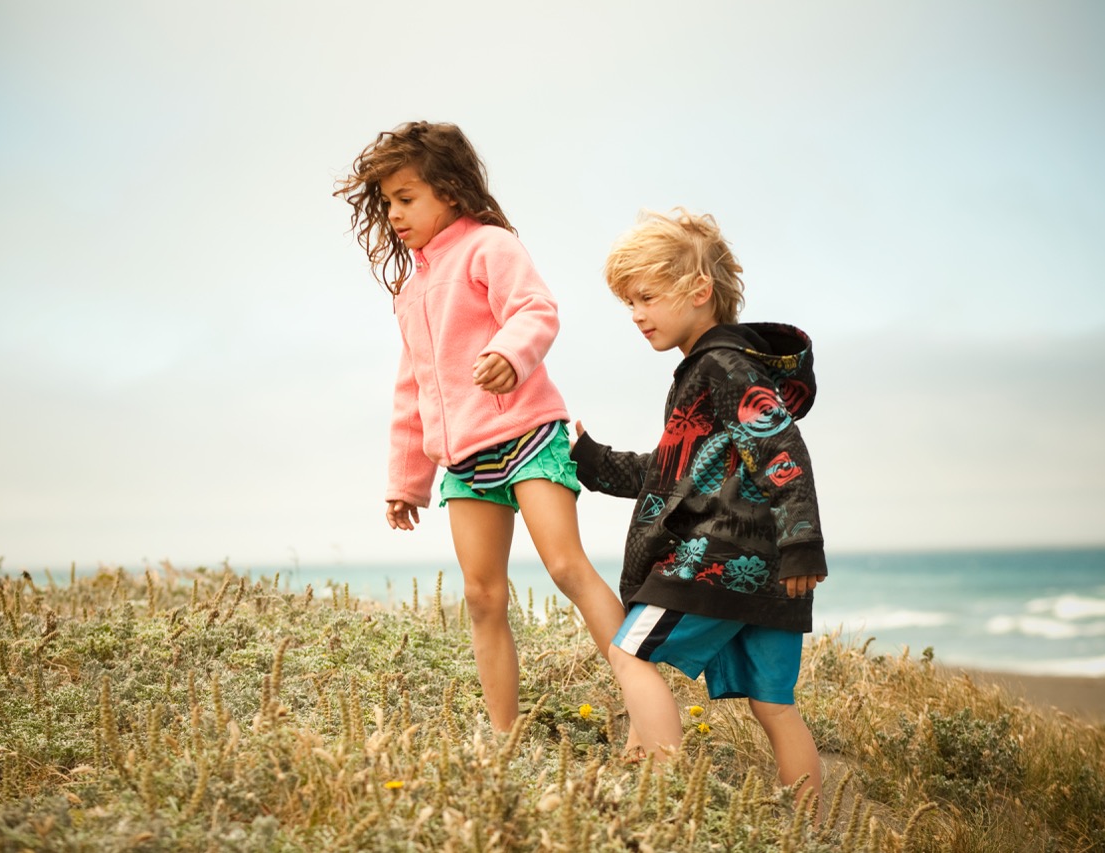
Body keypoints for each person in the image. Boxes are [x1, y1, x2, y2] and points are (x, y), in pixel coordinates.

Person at [333, 121, 627, 734]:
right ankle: (503, 737)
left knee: (567, 568)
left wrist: (509, 354)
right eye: (387, 203)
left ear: (450, 190)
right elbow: (412, 389)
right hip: (466, 461)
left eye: (405, 199)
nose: (393, 214)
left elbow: (534, 310)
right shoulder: (410, 293)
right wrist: (407, 482)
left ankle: (647, 706)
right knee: (481, 596)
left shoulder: (489, 246)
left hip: (528, 436)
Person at [571, 208, 827, 805]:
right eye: (628, 303)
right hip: (769, 571)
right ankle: (814, 830)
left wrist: (804, 539)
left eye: (647, 298)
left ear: (699, 291)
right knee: (775, 705)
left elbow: (780, 446)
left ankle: (660, 795)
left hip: (717, 557)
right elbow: (672, 474)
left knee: (628, 652)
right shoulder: (720, 369)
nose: (636, 315)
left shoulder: (721, 367)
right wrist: (589, 457)